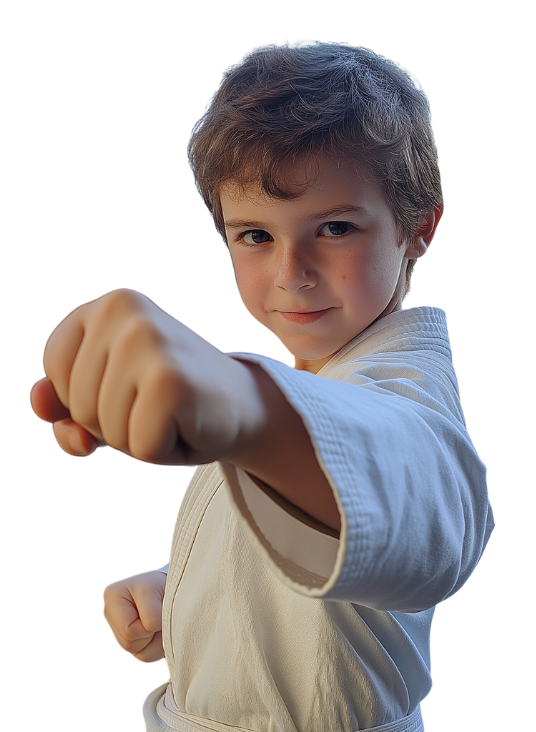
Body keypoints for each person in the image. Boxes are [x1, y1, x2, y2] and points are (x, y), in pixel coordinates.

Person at [29, 40, 494, 731]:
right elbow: (312, 559)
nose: (290, 273)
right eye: (254, 236)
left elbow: (421, 511)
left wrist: (240, 402)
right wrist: (184, 596)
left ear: (417, 228)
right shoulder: (305, 382)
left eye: (334, 227)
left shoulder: (400, 387)